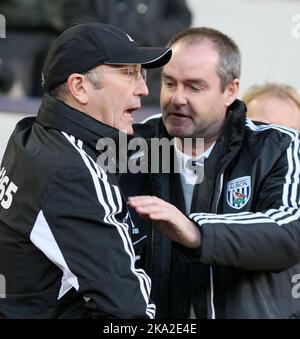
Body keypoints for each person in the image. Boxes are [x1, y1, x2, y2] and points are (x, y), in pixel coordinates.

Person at [122, 27, 300, 319]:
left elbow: (289, 233)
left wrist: (197, 232)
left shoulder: (279, 147)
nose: (177, 98)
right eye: (169, 83)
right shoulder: (128, 146)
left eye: (194, 87)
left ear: (230, 90)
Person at [0, 23, 172, 319]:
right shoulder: (73, 171)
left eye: (141, 74)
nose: (144, 88)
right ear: (79, 87)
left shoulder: (30, 135)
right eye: (129, 73)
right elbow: (130, 310)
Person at [62, 0, 192, 107]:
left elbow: (181, 18)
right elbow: (75, 15)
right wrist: (109, 37)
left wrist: (143, 35)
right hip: (100, 72)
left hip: (151, 75)